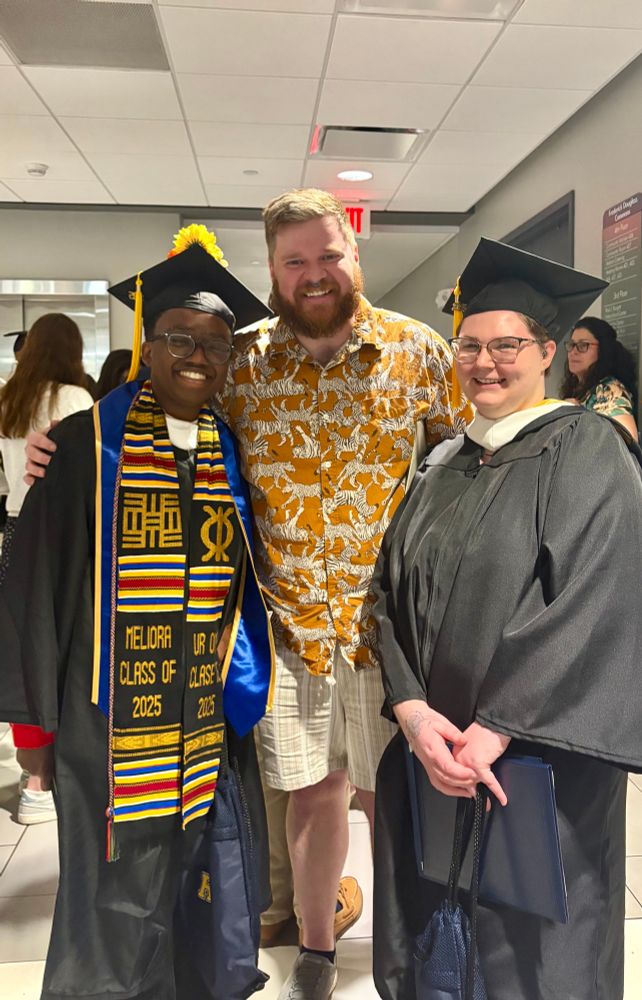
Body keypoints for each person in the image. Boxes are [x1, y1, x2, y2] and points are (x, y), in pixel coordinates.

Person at [24, 188, 472, 999]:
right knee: (312, 799)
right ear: (271, 268)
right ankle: (318, 948)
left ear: (354, 252)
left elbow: (465, 459)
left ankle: (410, 959)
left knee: (396, 800)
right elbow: (168, 422)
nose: (314, 273)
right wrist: (66, 452)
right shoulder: (246, 361)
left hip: (393, 630)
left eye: (328, 254)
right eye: (294, 260)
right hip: (288, 626)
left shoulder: (421, 353)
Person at [0, 228, 274, 1000]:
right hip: (104, 729)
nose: (198, 355)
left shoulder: (232, 448)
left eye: (217, 344)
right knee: (109, 902)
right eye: (178, 337)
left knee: (196, 886)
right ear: (146, 347)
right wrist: (34, 737)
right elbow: (35, 593)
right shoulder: (85, 447)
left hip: (206, 720)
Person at [370, 237, 642, 1000]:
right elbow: (389, 593)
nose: (485, 362)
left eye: (507, 345)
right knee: (439, 931)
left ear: (547, 349)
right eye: (470, 346)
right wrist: (416, 713)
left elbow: (597, 597)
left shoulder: (586, 448)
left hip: (537, 761)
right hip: (438, 757)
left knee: (534, 955)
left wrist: (496, 725)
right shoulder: (443, 463)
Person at [0, 313, 94, 824]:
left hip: (15, 527)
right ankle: (59, 774)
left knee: (23, 653)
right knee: (61, 650)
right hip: (60, 536)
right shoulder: (75, 400)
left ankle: (32, 782)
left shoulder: (9, 399)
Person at [560, 315, 638, 437]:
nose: (573, 351)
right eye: (572, 345)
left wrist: (574, 412)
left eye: (583, 345)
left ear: (603, 350)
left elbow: (628, 436)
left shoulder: (609, 388)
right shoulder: (577, 387)